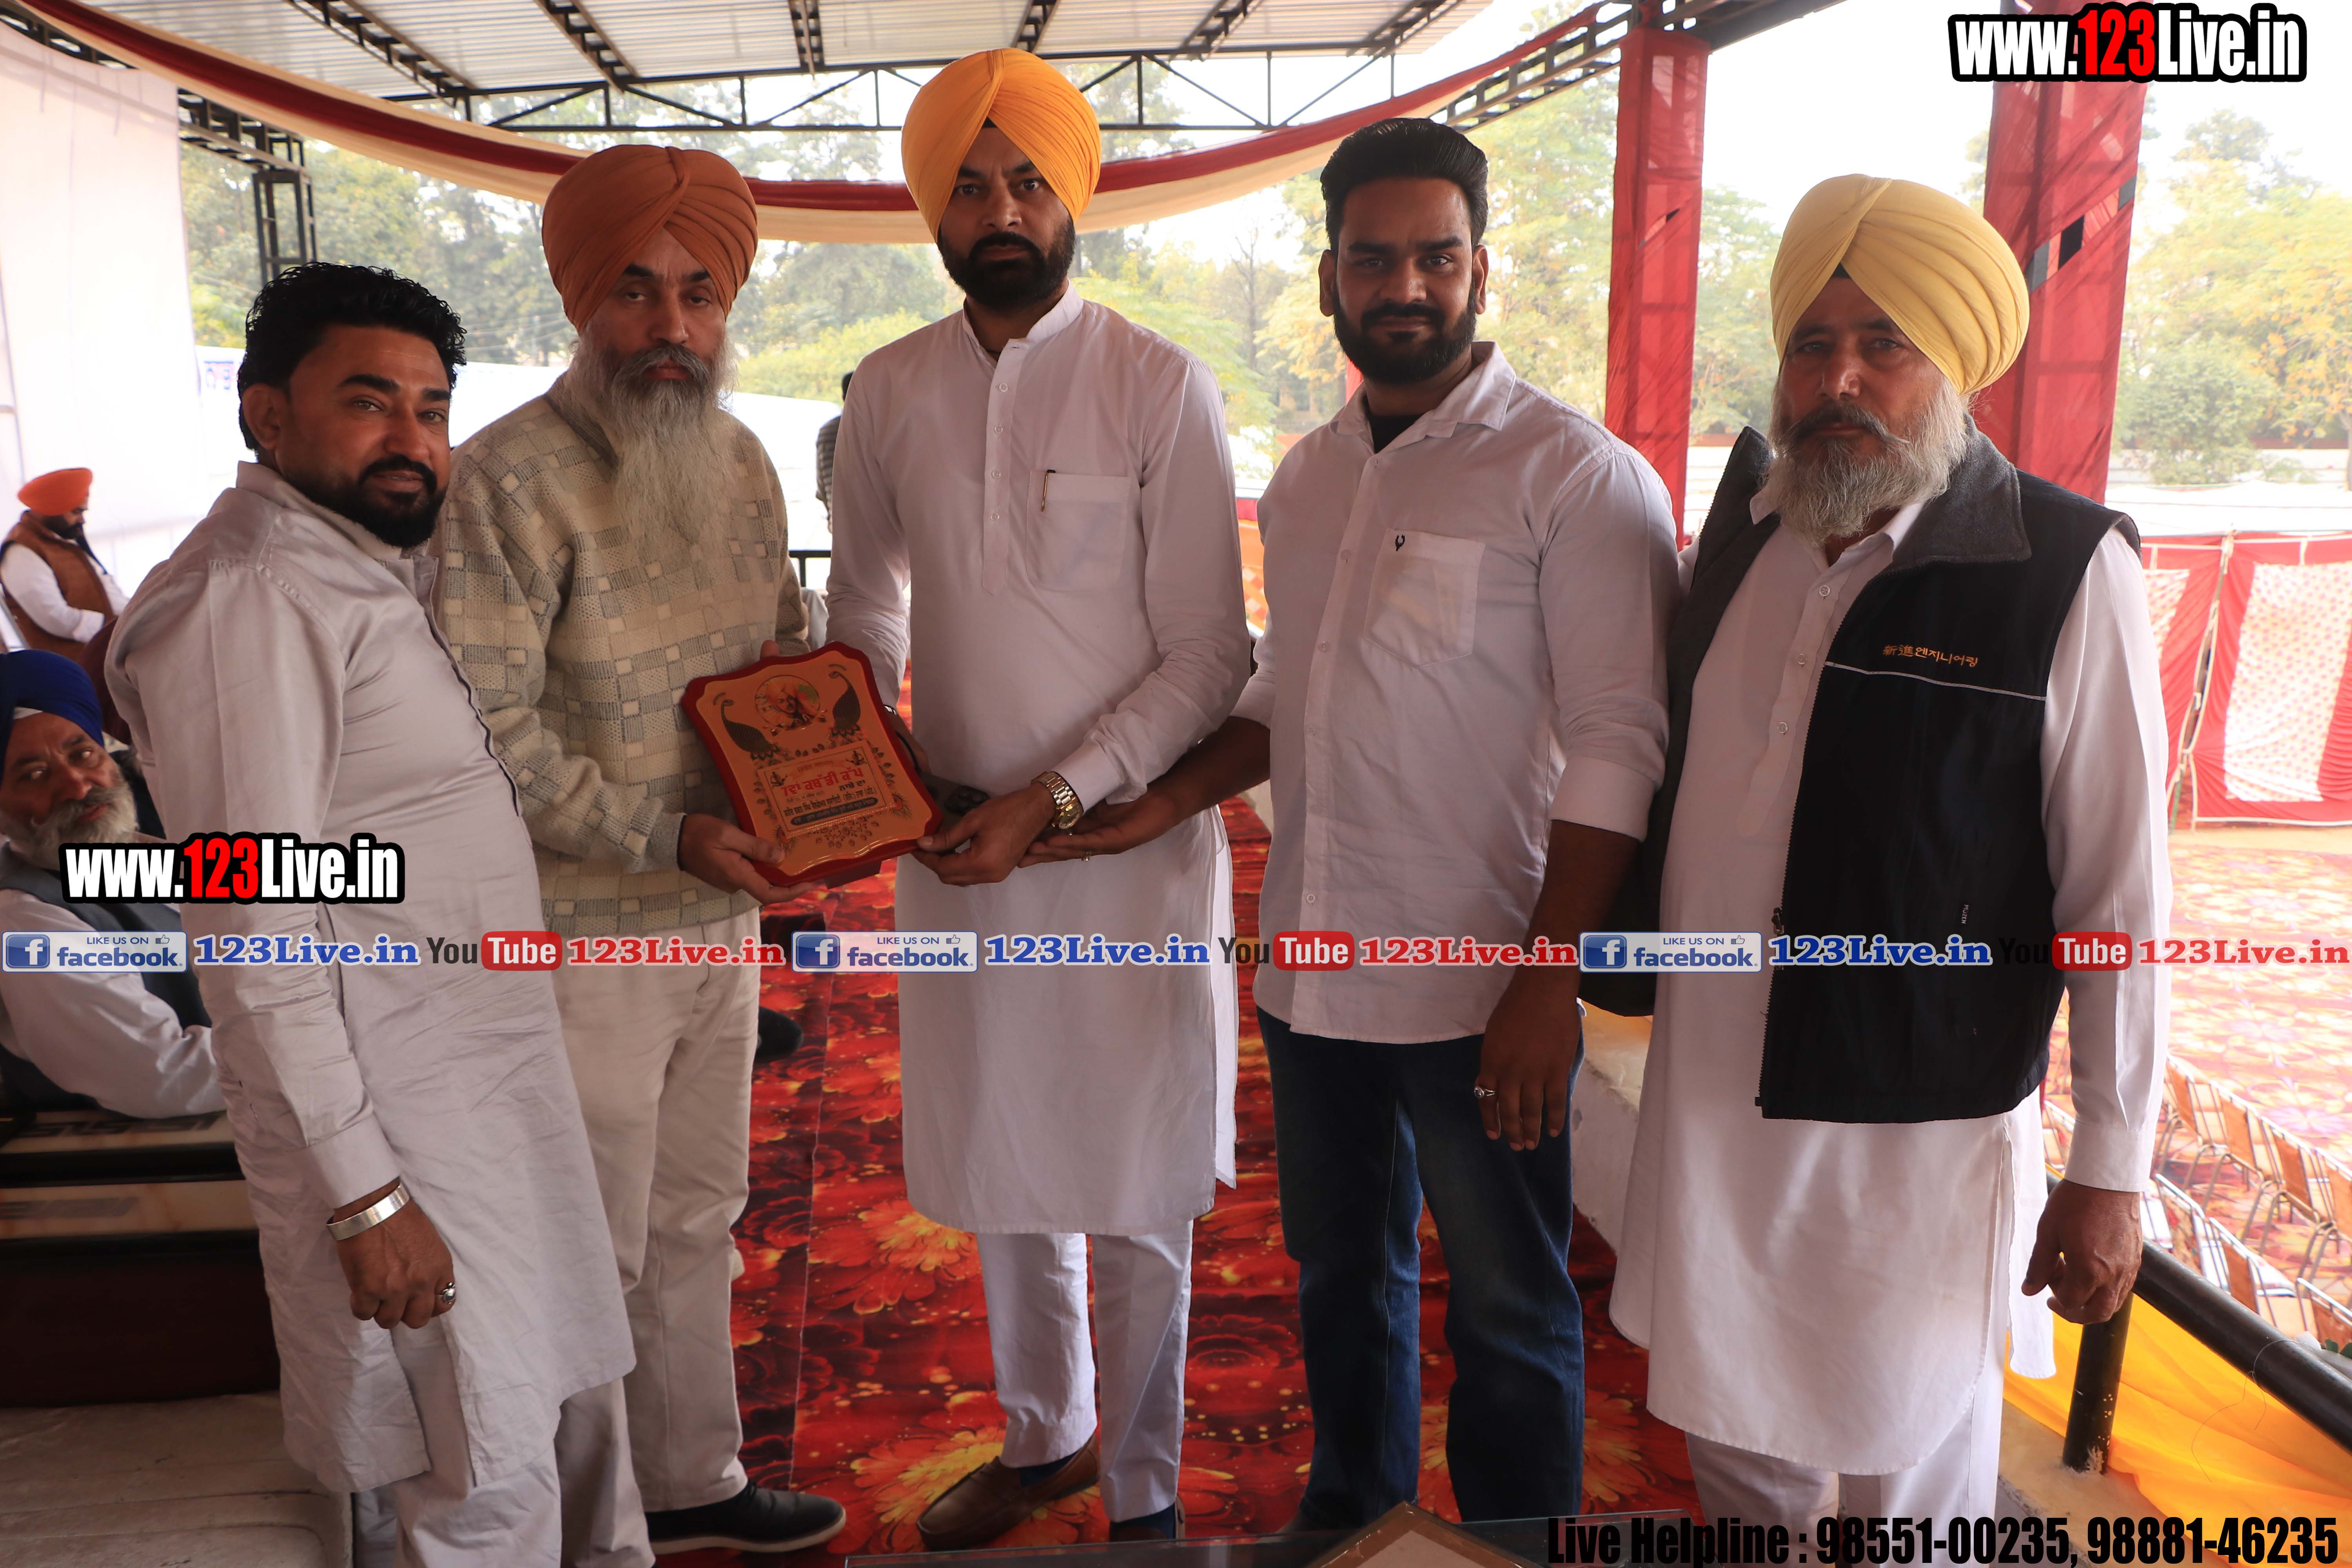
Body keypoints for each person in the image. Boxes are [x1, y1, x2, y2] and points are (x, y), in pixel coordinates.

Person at [1038, 118, 1675, 1526]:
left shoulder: (1572, 474)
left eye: (1435, 258)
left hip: (1478, 987)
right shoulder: (1311, 476)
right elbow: (1288, 692)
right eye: (1372, 259)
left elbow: (1620, 740)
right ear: (1327, 274)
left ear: (1480, 270)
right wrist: (1152, 801)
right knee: (1342, 1276)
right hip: (1313, 974)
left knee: (1507, 1303)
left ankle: (1511, 1550)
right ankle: (1354, 1523)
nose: (1405, 286)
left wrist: (1547, 977)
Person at [1586, 174, 2167, 1524]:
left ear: (1954, 365)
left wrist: (2110, 1169)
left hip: (1915, 1129)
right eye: (1812, 343)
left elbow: (2118, 896)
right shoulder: (1745, 540)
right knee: (1737, 1452)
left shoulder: (2063, 569)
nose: (1837, 378)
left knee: (1907, 1488)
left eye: (1883, 343)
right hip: (1715, 1106)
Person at [107, 263, 648, 1564]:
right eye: (368, 402)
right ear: (267, 415)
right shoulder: (249, 600)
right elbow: (254, 931)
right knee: (480, 1464)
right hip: (398, 1118)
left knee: (548, 1412)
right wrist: (363, 1198)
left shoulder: (348, 567)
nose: (412, 439)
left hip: (474, 1085)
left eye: (432, 408)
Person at [825, 48, 1252, 1548]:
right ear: (930, 211)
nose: (998, 210)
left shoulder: (1157, 383)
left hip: (1124, 851)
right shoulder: (887, 391)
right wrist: (863, 756)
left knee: (1136, 1177)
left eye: (1024, 182)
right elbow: (864, 608)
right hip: (954, 843)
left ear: (1073, 197)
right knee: (1007, 1153)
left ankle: (1143, 1495)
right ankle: (1045, 1435)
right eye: (966, 186)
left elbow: (1212, 652)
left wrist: (1059, 795)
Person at [436, 145, 841, 1555]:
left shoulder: (737, 460)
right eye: (635, 290)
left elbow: (780, 658)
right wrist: (664, 831)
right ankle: (586, 1528)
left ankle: (691, 1477)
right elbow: (484, 729)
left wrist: (835, 776)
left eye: (699, 294)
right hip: (578, 935)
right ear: (579, 301)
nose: (671, 325)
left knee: (697, 1214)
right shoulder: (505, 480)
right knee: (592, 1241)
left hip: (718, 918)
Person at [0, 649, 217, 1120]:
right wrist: (329, 1036)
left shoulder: (144, 855)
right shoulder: (27, 920)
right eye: (35, 775)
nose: (78, 786)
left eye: (83, 754)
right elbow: (163, 1077)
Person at [6, 468, 128, 659]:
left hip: (107, 648)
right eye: (76, 512)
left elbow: (105, 589)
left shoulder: (61, 540)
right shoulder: (21, 553)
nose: (82, 520)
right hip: (74, 663)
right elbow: (56, 618)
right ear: (52, 509)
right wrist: (117, 628)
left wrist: (134, 617)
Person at [815, 371, 849, 518]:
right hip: (874, 525)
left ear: (843, 397)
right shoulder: (878, 429)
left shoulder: (827, 431)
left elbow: (822, 487)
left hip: (838, 520)